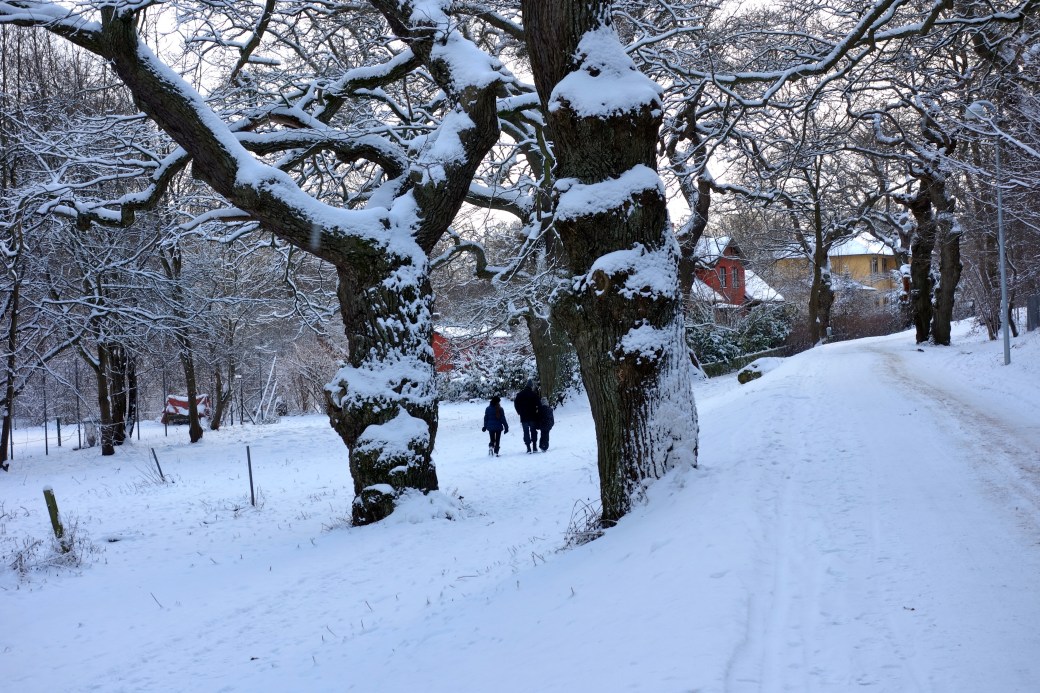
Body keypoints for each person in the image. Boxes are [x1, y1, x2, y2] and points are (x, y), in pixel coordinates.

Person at [513, 379, 540, 453]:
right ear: (531, 386)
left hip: (524, 416)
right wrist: (538, 412)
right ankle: (534, 446)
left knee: (526, 432)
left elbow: (516, 403)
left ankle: (528, 447)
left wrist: (519, 411)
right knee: (533, 431)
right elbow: (539, 404)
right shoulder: (534, 394)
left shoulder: (520, 394)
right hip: (532, 416)